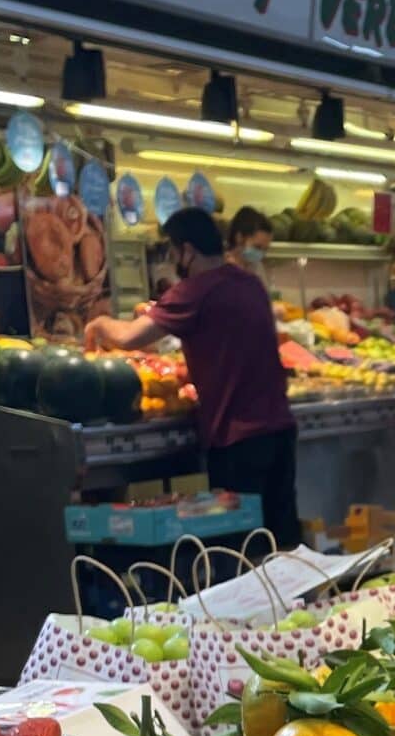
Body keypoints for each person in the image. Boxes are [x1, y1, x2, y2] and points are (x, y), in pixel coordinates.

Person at [85, 207, 299, 546]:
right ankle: (300, 600)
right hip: (279, 429)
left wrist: (98, 324)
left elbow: (128, 337)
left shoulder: (194, 292)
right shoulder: (250, 283)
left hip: (238, 439)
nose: (172, 260)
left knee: (241, 549)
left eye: (173, 251)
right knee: (281, 541)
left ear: (187, 250)